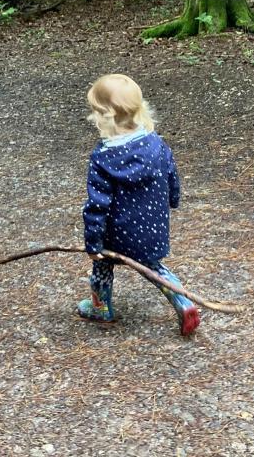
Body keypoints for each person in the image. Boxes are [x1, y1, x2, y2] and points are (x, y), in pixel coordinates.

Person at [77, 74, 200, 336]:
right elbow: (171, 175)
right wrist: (173, 200)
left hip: (116, 234)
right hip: (152, 228)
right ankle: (183, 301)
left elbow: (97, 205)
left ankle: (100, 307)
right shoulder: (156, 144)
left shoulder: (103, 157)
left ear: (105, 115)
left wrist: (93, 243)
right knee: (154, 267)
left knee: (102, 264)